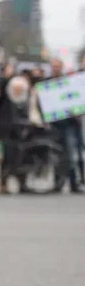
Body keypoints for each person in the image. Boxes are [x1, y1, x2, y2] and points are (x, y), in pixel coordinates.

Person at [45, 58, 83, 193]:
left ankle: (74, 183)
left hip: (70, 123)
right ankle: (57, 183)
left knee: (71, 154)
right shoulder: (47, 83)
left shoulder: (69, 82)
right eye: (53, 66)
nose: (55, 68)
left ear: (61, 67)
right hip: (54, 124)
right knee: (56, 155)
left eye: (57, 66)